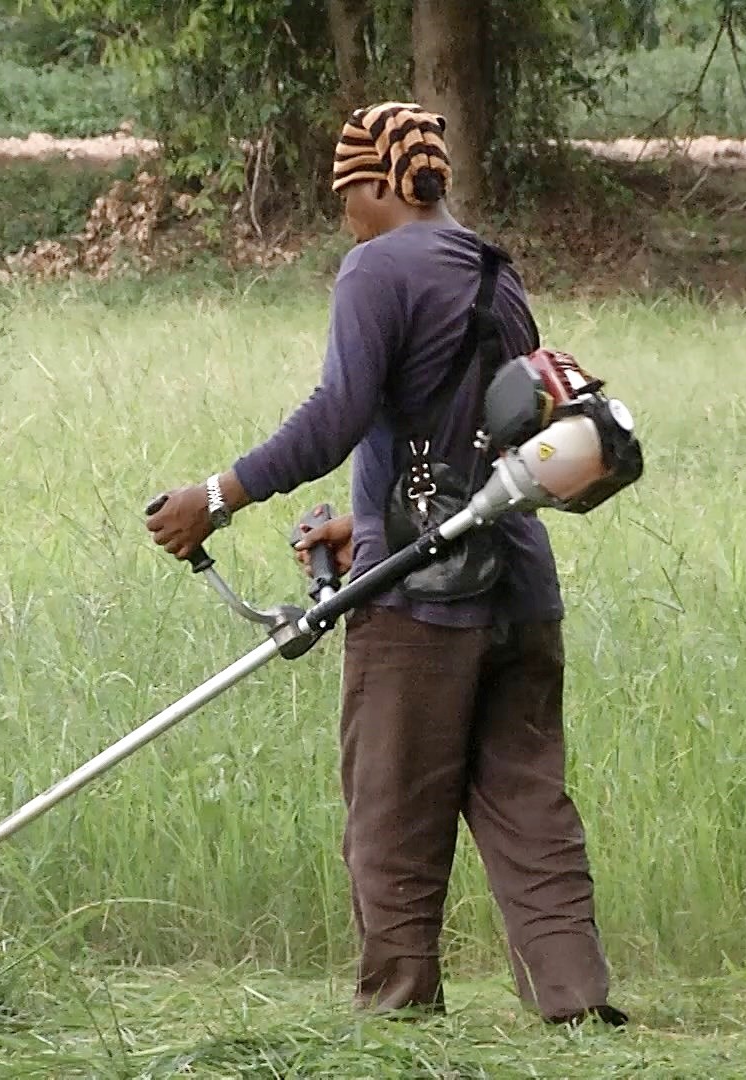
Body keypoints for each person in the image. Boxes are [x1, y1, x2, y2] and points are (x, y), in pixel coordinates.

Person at [143, 101, 627, 1027]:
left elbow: (337, 415)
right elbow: (478, 447)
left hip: (426, 612)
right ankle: (577, 1009)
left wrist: (215, 495)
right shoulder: (493, 267)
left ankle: (398, 1020)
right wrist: (362, 535)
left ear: (374, 185)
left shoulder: (376, 266)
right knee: (530, 810)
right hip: (520, 585)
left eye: (345, 199)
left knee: (392, 821)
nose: (345, 221)